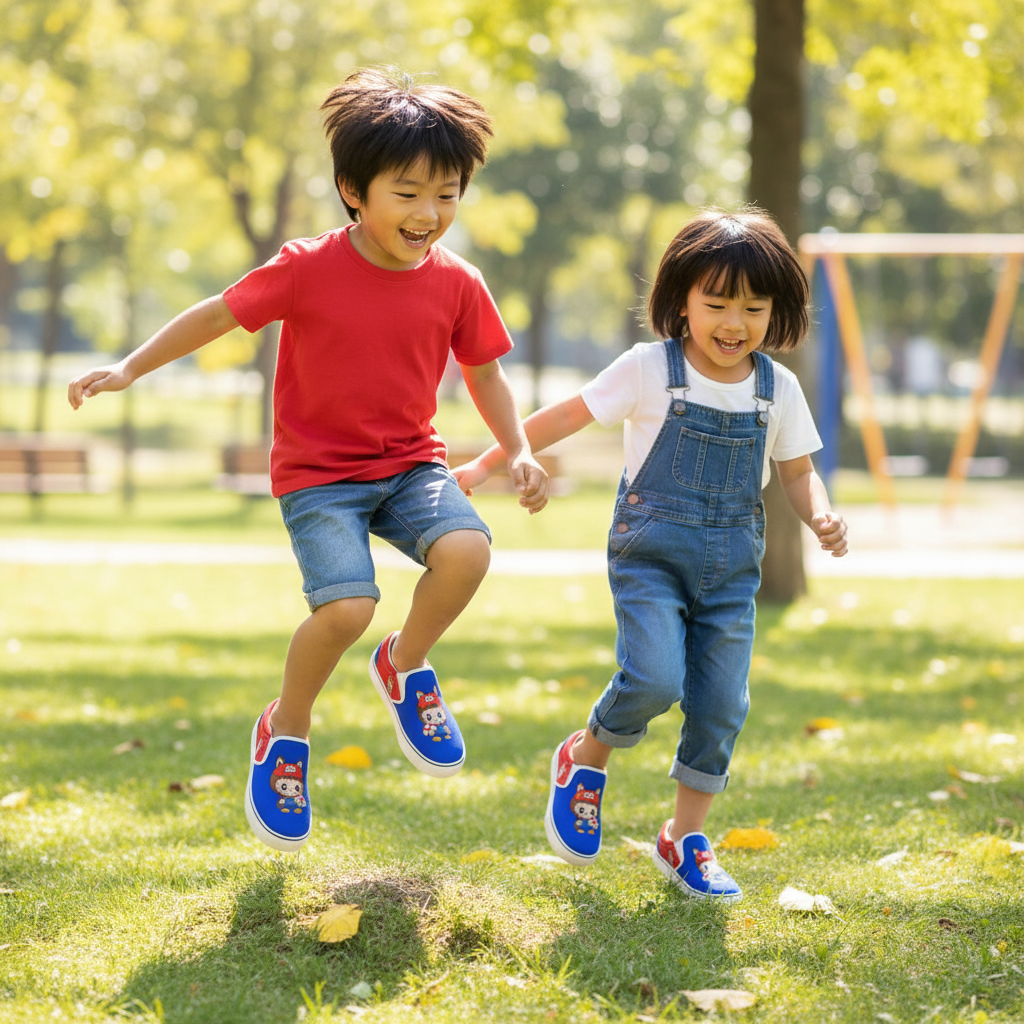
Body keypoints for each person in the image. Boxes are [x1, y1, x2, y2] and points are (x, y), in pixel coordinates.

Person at [68, 66, 548, 854]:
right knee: (345, 609)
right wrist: (130, 367)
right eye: (408, 193)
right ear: (352, 190)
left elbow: (485, 373)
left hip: (411, 466)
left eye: (448, 194)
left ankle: (405, 665)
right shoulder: (307, 266)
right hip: (321, 477)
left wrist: (519, 448)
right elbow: (219, 313)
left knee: (467, 551)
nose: (430, 214)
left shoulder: (460, 283)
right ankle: (285, 730)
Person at [454, 209, 848, 901]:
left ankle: (684, 838)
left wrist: (819, 514)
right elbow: (567, 415)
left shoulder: (775, 388)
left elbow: (794, 471)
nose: (734, 322)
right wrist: (495, 459)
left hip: (731, 571)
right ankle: (584, 759)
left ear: (776, 311)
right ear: (683, 300)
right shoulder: (649, 369)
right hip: (650, 558)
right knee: (654, 679)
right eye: (717, 302)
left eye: (754, 307)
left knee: (723, 704)